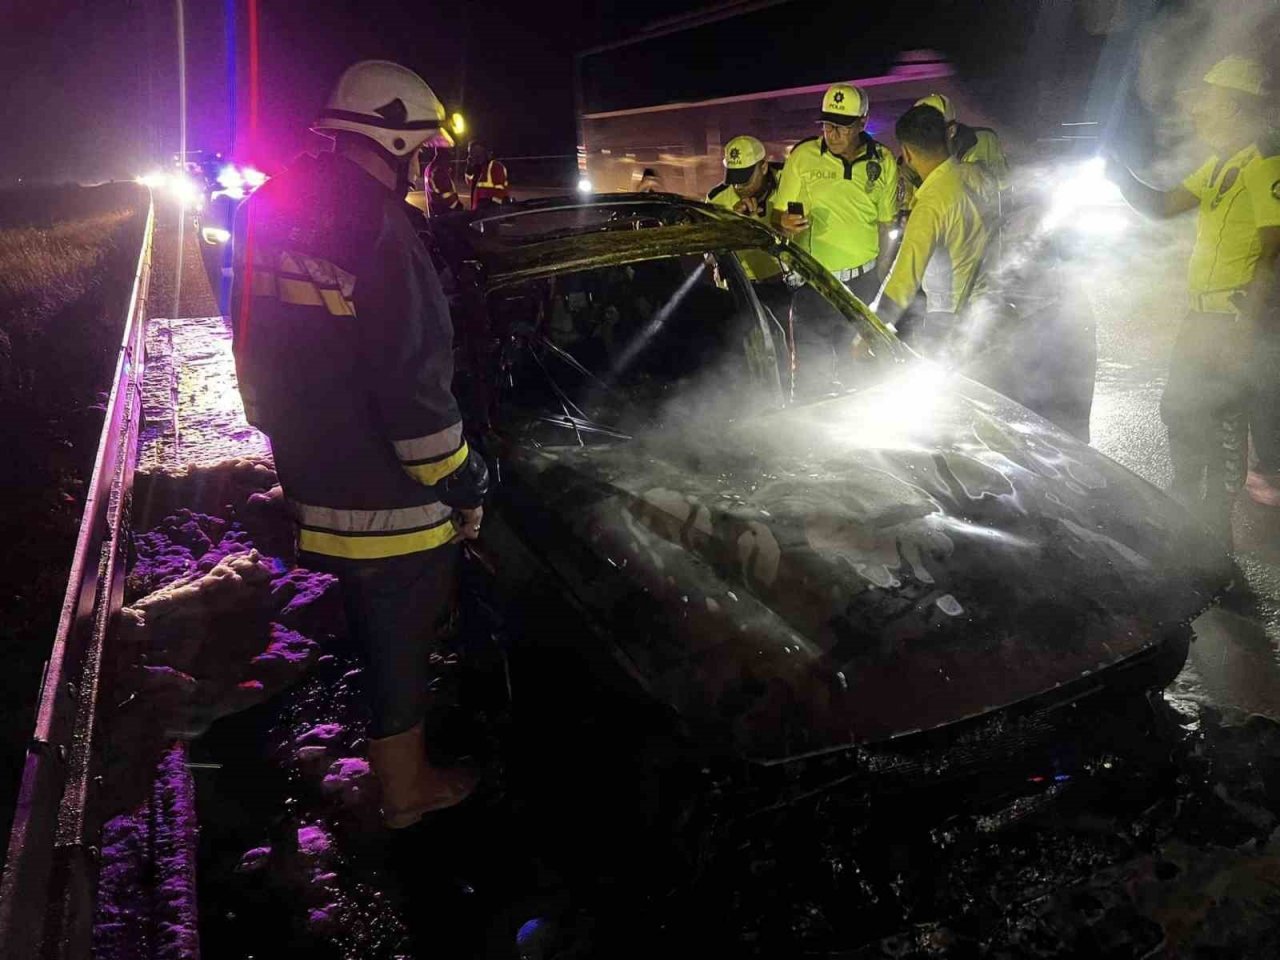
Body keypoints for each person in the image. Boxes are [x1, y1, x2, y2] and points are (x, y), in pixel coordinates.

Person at [230, 60, 489, 828]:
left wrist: (283, 430)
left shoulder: (270, 206)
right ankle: (408, 792)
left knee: (373, 623)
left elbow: (252, 344)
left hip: (312, 470)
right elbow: (416, 399)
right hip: (387, 500)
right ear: (399, 142)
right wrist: (468, 481)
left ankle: (388, 748)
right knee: (402, 639)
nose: (426, 170)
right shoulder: (383, 231)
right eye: (425, 152)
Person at [1107, 55, 1280, 540]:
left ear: (1237, 106)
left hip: (1233, 317)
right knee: (1179, 408)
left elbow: (1273, 247)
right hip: (1204, 317)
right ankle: (1190, 508)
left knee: (1224, 421)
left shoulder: (1266, 161)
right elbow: (1163, 206)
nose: (1200, 108)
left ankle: (1215, 530)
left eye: (1212, 100)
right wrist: (1119, 174)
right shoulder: (1220, 164)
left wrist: (1246, 325)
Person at [875, 105, 996, 356]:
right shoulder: (978, 176)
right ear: (947, 138)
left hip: (950, 318)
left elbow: (903, 282)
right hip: (989, 307)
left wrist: (868, 333)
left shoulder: (930, 205)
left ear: (907, 153)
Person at [773, 83, 900, 305]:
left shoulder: (883, 160)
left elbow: (885, 225)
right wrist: (784, 222)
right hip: (814, 282)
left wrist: (881, 277)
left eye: (842, 126)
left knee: (860, 341)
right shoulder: (803, 156)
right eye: (827, 125)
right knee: (813, 341)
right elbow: (776, 218)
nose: (832, 134)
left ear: (863, 121)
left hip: (864, 282)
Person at [707, 135, 785, 282]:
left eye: (744, 179)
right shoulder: (716, 199)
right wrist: (733, 225)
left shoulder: (786, 180)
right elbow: (709, 257)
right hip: (739, 284)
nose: (738, 187)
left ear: (763, 167)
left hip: (782, 280)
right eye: (733, 179)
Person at [466, 141, 509, 209]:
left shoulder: (495, 166)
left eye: (476, 153)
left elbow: (500, 192)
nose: (471, 156)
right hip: (478, 212)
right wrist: (469, 169)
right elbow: (470, 183)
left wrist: (488, 207)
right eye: (471, 154)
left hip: (492, 213)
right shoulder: (478, 169)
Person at [422, 143, 462, 216]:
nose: (451, 157)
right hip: (445, 215)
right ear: (444, 153)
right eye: (450, 152)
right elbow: (447, 196)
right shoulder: (439, 170)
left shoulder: (429, 167)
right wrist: (458, 207)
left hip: (435, 213)